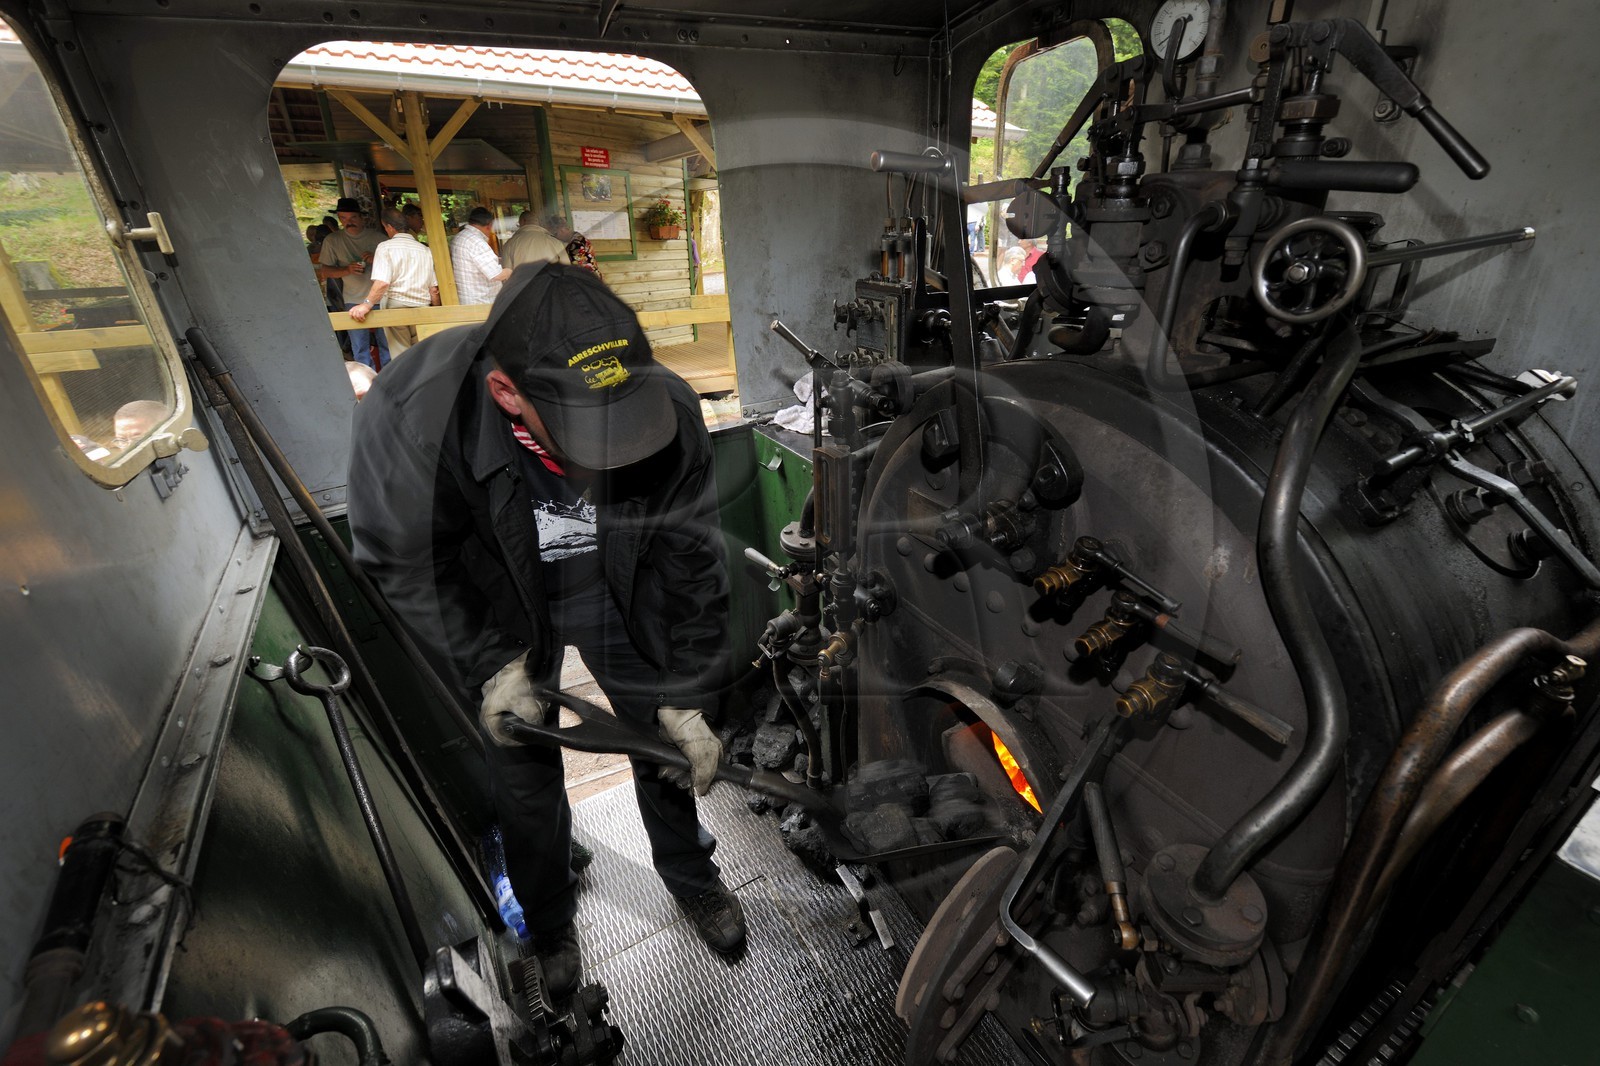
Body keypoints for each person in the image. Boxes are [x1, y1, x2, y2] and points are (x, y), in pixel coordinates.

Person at [346, 263, 746, 998]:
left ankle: (692, 875)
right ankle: (550, 917)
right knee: (522, 772)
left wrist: (686, 691)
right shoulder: (413, 414)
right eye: (586, 434)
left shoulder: (666, 406)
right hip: (498, 601)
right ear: (506, 392)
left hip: (615, 586)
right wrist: (491, 664)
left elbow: (691, 560)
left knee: (662, 739)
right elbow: (403, 559)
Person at [349, 207, 438, 358]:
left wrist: (366, 304)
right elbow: (433, 289)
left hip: (397, 308)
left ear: (389, 227)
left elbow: (382, 282)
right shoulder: (424, 249)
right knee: (422, 355)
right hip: (423, 308)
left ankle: (407, 382)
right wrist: (436, 310)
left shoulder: (385, 247)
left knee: (402, 357)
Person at [320, 197, 389, 370]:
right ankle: (368, 386)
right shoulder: (332, 240)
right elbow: (325, 271)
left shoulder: (379, 238)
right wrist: (347, 270)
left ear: (362, 217)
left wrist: (376, 259)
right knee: (359, 348)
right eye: (343, 218)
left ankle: (391, 381)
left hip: (382, 299)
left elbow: (395, 267)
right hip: (352, 299)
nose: (348, 222)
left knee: (387, 345)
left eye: (353, 218)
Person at [451, 206, 512, 305]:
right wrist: (510, 271)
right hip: (482, 303)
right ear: (489, 225)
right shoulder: (477, 242)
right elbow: (497, 275)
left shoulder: (459, 238)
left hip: (467, 300)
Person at [499, 210, 568, 271]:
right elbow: (566, 268)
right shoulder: (555, 242)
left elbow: (507, 272)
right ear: (537, 222)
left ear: (522, 221)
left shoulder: (510, 244)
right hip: (551, 284)